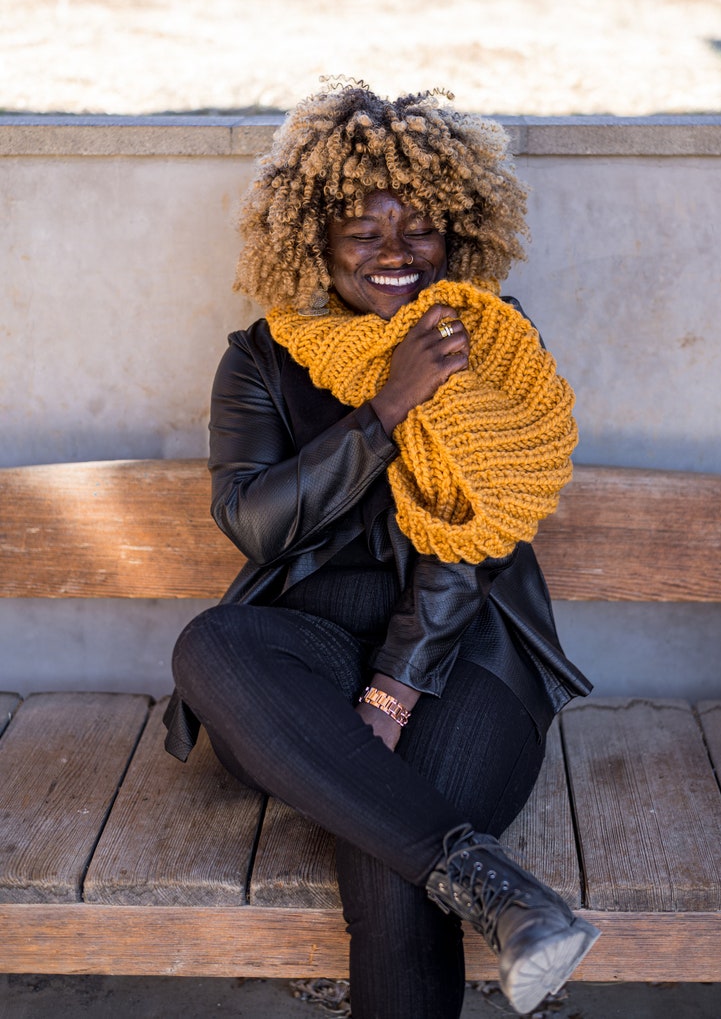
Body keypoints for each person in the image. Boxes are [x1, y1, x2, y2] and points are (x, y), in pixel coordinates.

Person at [164, 81, 598, 1019]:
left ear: (459, 233)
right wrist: (386, 406)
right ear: (314, 241)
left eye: (421, 231)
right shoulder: (262, 358)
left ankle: (475, 881)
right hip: (304, 659)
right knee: (209, 645)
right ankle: (495, 884)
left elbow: (473, 537)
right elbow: (253, 521)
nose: (396, 255)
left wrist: (395, 686)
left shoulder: (486, 341)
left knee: (380, 842)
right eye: (364, 233)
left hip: (466, 656)